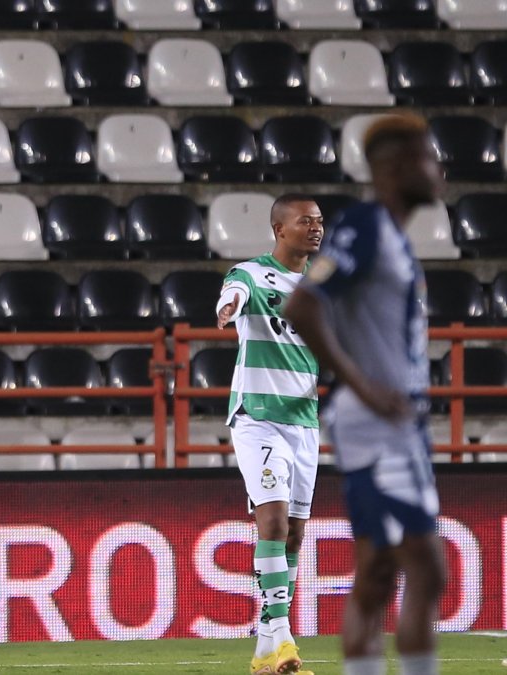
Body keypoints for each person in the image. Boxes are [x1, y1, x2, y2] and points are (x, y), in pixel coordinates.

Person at [284, 114, 446, 675]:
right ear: (397, 167)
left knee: (380, 573)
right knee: (426, 568)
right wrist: (365, 387)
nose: (439, 169)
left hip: (397, 424)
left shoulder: (391, 236)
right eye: (429, 157)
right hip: (377, 425)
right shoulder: (366, 227)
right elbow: (303, 304)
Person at [216, 194, 324, 675]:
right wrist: (230, 305)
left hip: (303, 421)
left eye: (320, 221)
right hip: (257, 414)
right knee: (274, 522)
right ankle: (282, 637)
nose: (316, 229)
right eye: (306, 221)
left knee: (296, 534)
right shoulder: (251, 273)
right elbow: (232, 295)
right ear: (280, 229)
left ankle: (264, 652)